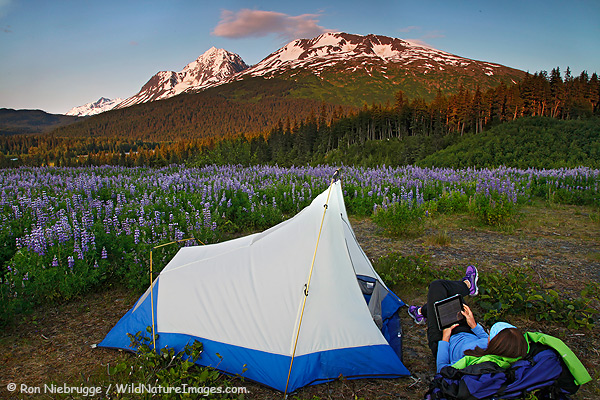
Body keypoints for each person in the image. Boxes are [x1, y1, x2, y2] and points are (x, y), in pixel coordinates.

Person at [407, 266, 527, 373]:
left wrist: (445, 338)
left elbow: (443, 370)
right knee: (450, 300)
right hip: (466, 329)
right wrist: (473, 324)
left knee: (437, 286)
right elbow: (486, 339)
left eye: (491, 334)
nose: (488, 335)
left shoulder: (471, 360)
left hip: (443, 339)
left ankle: (467, 285)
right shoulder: (502, 351)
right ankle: (421, 312)